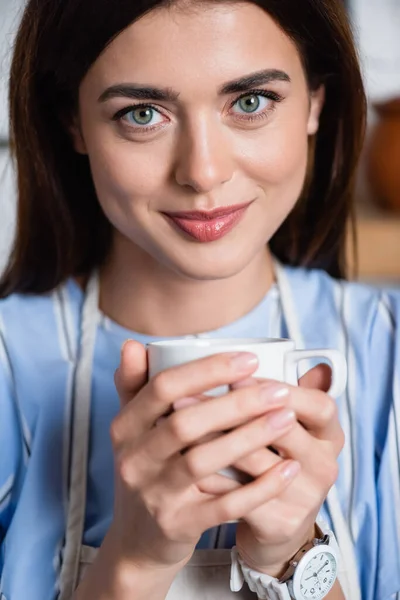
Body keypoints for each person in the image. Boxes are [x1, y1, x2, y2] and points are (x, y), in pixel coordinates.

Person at [0, 0, 399, 598]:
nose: (203, 173)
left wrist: (290, 555)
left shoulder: (389, 352)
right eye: (142, 113)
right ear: (72, 122)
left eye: (250, 102)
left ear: (316, 101)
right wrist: (135, 561)